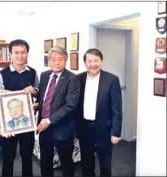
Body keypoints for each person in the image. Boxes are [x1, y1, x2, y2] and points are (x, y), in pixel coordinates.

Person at [0, 39, 39, 176]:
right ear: (11, 54)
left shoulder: (32, 72)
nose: (20, 55)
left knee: (27, 157)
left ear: (27, 54)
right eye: (16, 52)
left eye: (23, 52)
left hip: (27, 122)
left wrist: (34, 91)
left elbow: (37, 92)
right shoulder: (1, 75)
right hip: (10, 125)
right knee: (8, 157)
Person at [75, 48, 122, 177]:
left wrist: (116, 132)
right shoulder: (78, 79)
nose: (93, 64)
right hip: (84, 128)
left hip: (104, 129)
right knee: (86, 162)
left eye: (96, 60)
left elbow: (116, 108)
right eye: (89, 61)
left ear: (101, 62)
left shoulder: (112, 79)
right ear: (85, 63)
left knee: (105, 163)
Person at [36, 46, 80, 177]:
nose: (56, 62)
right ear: (48, 61)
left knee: (66, 162)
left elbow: (70, 105)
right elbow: (44, 98)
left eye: (60, 59)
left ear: (65, 61)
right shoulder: (44, 76)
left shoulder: (73, 78)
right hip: (44, 127)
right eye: (53, 59)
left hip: (63, 128)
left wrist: (49, 120)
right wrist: (35, 105)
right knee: (45, 161)